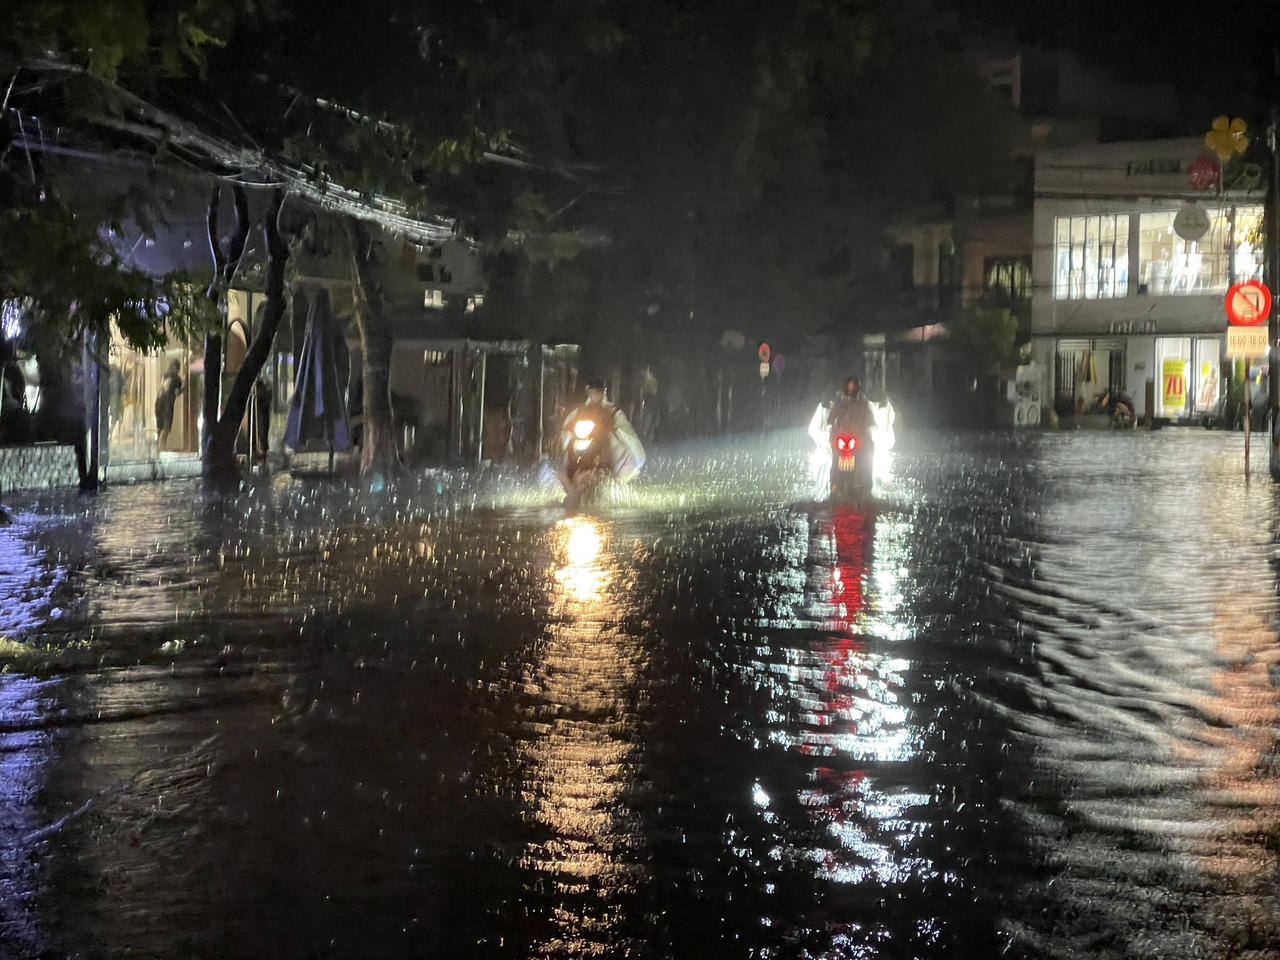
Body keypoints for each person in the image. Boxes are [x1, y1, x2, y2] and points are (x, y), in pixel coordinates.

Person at [556, 378, 645, 498]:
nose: (592, 395)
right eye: (590, 391)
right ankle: (572, 477)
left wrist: (612, 426)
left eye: (595, 391)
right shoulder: (581, 410)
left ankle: (610, 474)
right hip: (585, 439)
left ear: (601, 392)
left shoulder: (612, 410)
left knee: (610, 446)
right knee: (570, 452)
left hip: (603, 444)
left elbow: (623, 427)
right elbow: (569, 423)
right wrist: (568, 429)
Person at [154, 359, 184, 451]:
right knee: (165, 429)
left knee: (159, 428)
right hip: (167, 405)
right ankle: (162, 450)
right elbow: (177, 392)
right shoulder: (177, 379)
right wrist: (184, 385)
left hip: (158, 403)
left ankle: (155, 449)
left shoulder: (165, 375)